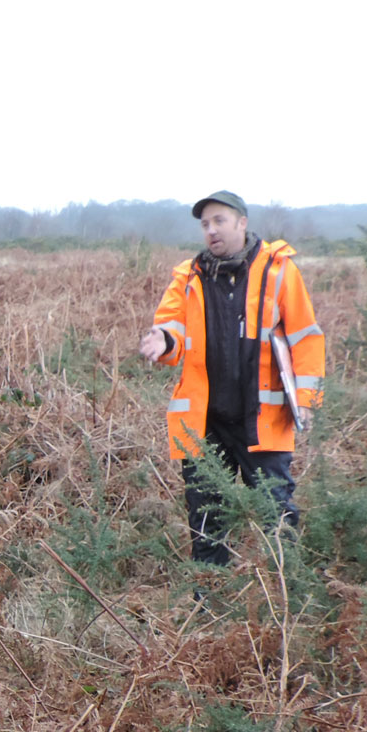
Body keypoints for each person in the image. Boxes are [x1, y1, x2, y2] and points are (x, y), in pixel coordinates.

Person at [138, 191, 325, 565]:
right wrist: (163, 339)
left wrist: (305, 401)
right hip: (205, 425)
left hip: (263, 421)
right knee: (206, 519)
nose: (211, 231)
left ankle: (286, 597)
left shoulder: (278, 270)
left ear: (242, 222)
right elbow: (172, 330)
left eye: (219, 221)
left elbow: (306, 338)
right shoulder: (188, 277)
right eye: (205, 224)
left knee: (276, 513)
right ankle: (209, 602)